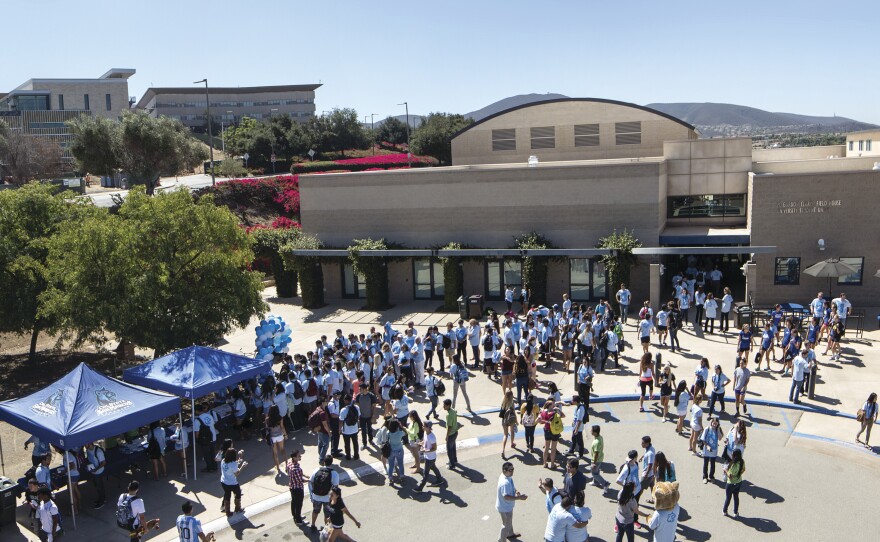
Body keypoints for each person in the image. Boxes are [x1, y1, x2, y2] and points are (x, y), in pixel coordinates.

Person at [496, 461, 527, 541]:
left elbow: (511, 487)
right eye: (510, 470)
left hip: (507, 506)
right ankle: (501, 540)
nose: (512, 471)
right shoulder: (504, 483)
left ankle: (510, 534)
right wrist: (519, 498)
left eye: (513, 469)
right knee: (505, 525)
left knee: (509, 520)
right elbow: (506, 496)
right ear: (504, 470)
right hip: (504, 507)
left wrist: (516, 491)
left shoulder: (507, 476)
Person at [309, 456, 340, 533]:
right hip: (327, 498)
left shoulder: (316, 470)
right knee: (327, 514)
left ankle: (313, 525)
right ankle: (326, 529)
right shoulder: (334, 473)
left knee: (315, 511)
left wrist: (311, 495)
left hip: (316, 497)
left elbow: (310, 482)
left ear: (323, 462)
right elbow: (335, 488)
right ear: (331, 462)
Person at [416, 421, 444, 490]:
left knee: (425, 473)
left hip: (430, 458)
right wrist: (421, 443)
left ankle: (420, 487)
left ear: (428, 427)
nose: (422, 427)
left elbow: (434, 448)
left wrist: (425, 450)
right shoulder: (426, 433)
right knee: (433, 467)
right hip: (428, 457)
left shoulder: (432, 437)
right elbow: (425, 441)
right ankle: (440, 479)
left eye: (424, 426)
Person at [220, 447, 246, 517]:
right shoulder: (233, 464)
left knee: (227, 496)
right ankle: (237, 508)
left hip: (224, 481)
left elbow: (231, 465)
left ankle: (227, 512)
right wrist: (242, 466)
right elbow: (236, 473)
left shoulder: (223, 461)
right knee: (238, 494)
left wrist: (237, 462)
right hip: (232, 483)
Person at [539, 400, 565, 469]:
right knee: (553, 449)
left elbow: (540, 421)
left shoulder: (543, 412)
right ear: (550, 405)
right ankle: (552, 464)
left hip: (547, 430)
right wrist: (558, 409)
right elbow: (563, 416)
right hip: (554, 431)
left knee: (546, 447)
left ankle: (544, 463)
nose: (554, 405)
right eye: (553, 404)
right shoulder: (555, 413)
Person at [194, 404, 218, 472]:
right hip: (213, 437)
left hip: (205, 440)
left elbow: (197, 432)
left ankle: (209, 468)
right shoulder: (209, 415)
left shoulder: (197, 420)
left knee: (206, 455)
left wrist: (197, 440)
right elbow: (212, 424)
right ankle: (215, 466)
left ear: (196, 411)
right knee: (213, 453)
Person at [265, 405, 288, 474]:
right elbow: (282, 427)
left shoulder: (267, 419)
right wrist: (285, 434)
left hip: (272, 437)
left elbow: (267, 429)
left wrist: (266, 437)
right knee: (282, 450)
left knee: (275, 453)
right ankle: (287, 465)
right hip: (280, 436)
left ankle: (278, 467)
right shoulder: (280, 418)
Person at [722, 449, 745, 517]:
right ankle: (735, 512)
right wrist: (739, 474)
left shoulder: (733, 465)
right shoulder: (742, 462)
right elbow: (743, 470)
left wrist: (725, 470)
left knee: (728, 498)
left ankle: (724, 511)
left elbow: (730, 476)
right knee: (736, 497)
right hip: (739, 482)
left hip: (730, 483)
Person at [84, 441, 106, 509]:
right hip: (93, 472)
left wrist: (96, 469)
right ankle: (102, 498)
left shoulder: (98, 452)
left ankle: (102, 502)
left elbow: (103, 463)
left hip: (98, 472)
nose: (84, 445)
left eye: (86, 444)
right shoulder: (88, 450)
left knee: (99, 487)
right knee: (97, 486)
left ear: (90, 443)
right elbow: (88, 459)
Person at [701, 417, 723, 483]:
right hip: (707, 450)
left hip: (714, 450)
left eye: (716, 424)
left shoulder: (717, 430)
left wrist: (718, 430)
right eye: (713, 423)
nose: (714, 425)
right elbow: (703, 439)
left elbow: (720, 438)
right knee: (706, 464)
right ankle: (705, 476)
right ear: (711, 422)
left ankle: (711, 476)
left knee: (713, 464)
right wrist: (707, 446)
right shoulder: (707, 429)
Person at [286, 450, 306, 524]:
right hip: (298, 488)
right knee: (299, 504)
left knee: (294, 502)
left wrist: (304, 475)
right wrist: (310, 480)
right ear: (294, 457)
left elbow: (287, 471)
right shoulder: (296, 469)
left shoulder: (289, 464)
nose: (300, 457)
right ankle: (298, 520)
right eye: (298, 456)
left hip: (292, 486)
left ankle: (295, 515)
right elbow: (300, 480)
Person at [339, 396, 360, 461]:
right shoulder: (356, 407)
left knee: (347, 444)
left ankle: (348, 456)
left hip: (346, 431)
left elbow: (341, 421)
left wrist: (339, 429)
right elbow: (358, 417)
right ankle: (356, 455)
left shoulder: (343, 410)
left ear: (346, 401)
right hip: (355, 429)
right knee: (355, 443)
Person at [386, 419, 406, 484]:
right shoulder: (400, 433)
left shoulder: (388, 433)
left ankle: (390, 477)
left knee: (391, 465)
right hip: (399, 449)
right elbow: (405, 433)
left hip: (391, 450)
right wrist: (401, 426)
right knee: (400, 464)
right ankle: (402, 476)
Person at [637, 436, 656, 505]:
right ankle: (654, 500)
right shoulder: (650, 448)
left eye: (643, 443)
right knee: (652, 487)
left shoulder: (650, 453)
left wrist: (646, 474)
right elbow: (646, 453)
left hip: (647, 474)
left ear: (647, 443)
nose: (641, 444)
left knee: (640, 488)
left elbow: (650, 465)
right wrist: (642, 457)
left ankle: (636, 501)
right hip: (651, 474)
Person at [500, 390, 518, 457]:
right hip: (511, 419)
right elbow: (514, 412)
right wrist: (516, 420)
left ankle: (503, 450)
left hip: (504, 419)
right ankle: (512, 443)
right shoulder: (512, 403)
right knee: (512, 431)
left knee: (505, 435)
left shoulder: (503, 402)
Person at [443, 399, 460, 469]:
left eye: (444, 405)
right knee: (453, 447)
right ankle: (454, 460)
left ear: (448, 405)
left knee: (449, 450)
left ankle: (452, 465)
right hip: (455, 432)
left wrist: (447, 436)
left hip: (451, 434)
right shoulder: (453, 411)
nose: (443, 406)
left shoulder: (449, 415)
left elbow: (449, 427)